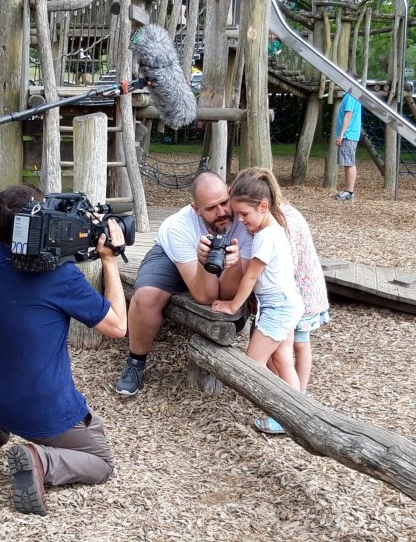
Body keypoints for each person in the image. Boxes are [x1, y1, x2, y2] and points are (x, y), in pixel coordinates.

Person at [0, 185, 127, 516]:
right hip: (42, 413)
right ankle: (42, 460)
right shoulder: (61, 278)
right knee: (101, 462)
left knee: (11, 358)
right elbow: (118, 327)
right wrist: (108, 260)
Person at [115, 170, 253, 396]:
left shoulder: (245, 218)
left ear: (230, 193)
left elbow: (225, 295)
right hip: (175, 258)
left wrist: (235, 264)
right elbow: (206, 296)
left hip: (225, 266)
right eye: (210, 208)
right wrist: (202, 260)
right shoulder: (177, 227)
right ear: (196, 209)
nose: (221, 212)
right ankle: (135, 362)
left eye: (224, 202)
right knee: (145, 297)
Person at [210, 168, 304, 431]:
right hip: (287, 302)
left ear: (263, 206)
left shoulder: (265, 237)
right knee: (282, 359)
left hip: (278, 306)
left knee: (253, 362)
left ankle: (285, 415)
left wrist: (232, 305)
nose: (240, 220)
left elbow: (250, 277)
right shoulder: (275, 228)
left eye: (244, 214)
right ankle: (295, 411)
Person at [257, 202, 330, 434]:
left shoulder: (285, 222)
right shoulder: (273, 218)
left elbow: (290, 263)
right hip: (290, 294)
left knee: (300, 343)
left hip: (303, 292)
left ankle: (299, 395)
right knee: (281, 353)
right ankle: (290, 390)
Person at [333, 88, 362, 200]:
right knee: (348, 162)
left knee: (349, 163)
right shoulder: (355, 95)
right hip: (350, 134)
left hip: (348, 134)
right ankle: (348, 190)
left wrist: (341, 134)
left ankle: (349, 192)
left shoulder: (350, 96)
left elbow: (348, 115)